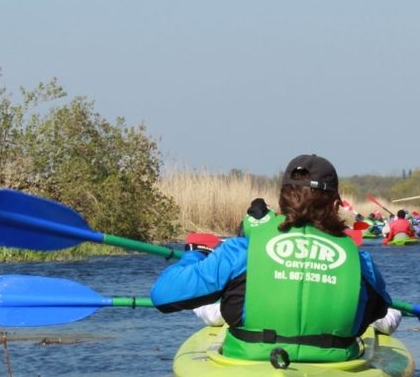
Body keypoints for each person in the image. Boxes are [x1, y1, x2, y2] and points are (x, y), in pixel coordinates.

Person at [151, 154, 400, 363]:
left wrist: (195, 254)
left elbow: (162, 295)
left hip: (250, 363)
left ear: (282, 199)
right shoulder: (360, 261)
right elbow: (380, 309)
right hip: (334, 367)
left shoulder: (241, 250)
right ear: (336, 204)